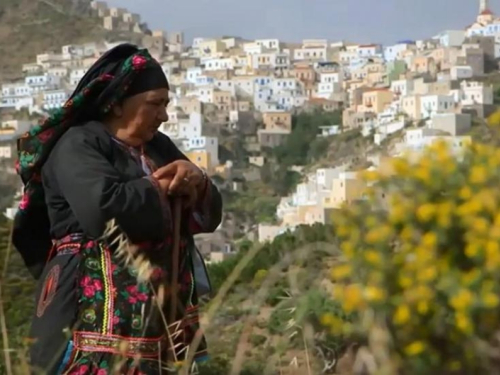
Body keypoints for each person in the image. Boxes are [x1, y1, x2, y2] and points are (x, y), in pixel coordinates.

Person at [12, 44, 222, 374]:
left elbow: (208, 215)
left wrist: (197, 180)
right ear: (116, 102)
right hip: (90, 320)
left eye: (166, 105)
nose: (164, 115)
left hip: (162, 328)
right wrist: (162, 186)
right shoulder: (77, 145)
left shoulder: (158, 146)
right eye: (155, 103)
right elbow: (102, 209)